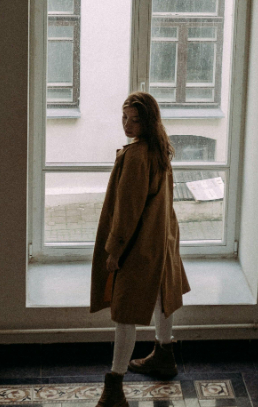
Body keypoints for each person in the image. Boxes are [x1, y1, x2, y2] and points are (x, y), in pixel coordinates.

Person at [91, 91, 190, 407]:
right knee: (162, 297)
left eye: (135, 119)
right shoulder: (160, 150)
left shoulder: (135, 157)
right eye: (124, 117)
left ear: (149, 121)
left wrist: (115, 250)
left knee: (124, 312)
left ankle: (115, 384)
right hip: (162, 240)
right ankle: (164, 355)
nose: (128, 125)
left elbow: (127, 210)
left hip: (138, 246)